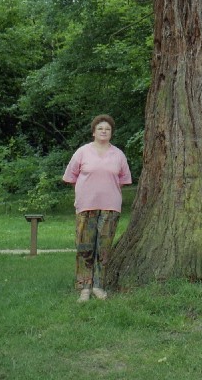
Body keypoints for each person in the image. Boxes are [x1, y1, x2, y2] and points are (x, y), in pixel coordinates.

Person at [63, 114, 132, 302]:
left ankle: (99, 286)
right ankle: (84, 287)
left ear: (111, 133)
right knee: (84, 247)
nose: (104, 131)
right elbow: (71, 177)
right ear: (94, 132)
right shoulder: (82, 152)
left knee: (104, 248)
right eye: (100, 128)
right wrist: (85, 193)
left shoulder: (118, 155)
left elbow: (123, 180)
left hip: (110, 207)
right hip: (86, 207)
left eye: (107, 129)